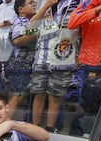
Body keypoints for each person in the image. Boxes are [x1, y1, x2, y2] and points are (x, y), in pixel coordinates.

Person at [28, 0, 79, 133]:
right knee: (38, 94)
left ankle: (50, 129)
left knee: (55, 97)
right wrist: (46, 5)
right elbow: (31, 26)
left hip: (64, 58)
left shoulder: (76, 3)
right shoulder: (45, 3)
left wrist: (79, 56)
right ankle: (35, 128)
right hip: (42, 57)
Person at [68, 0, 101, 115]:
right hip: (96, 62)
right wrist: (100, 8)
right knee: (90, 104)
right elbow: (72, 22)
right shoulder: (91, 2)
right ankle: (83, 132)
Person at [4, 0, 38, 119]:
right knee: (17, 96)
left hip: (24, 64)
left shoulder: (29, 22)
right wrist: (39, 32)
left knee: (16, 96)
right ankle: (5, 123)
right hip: (20, 64)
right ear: (21, 9)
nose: (34, 4)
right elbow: (17, 40)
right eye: (30, 3)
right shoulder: (20, 21)